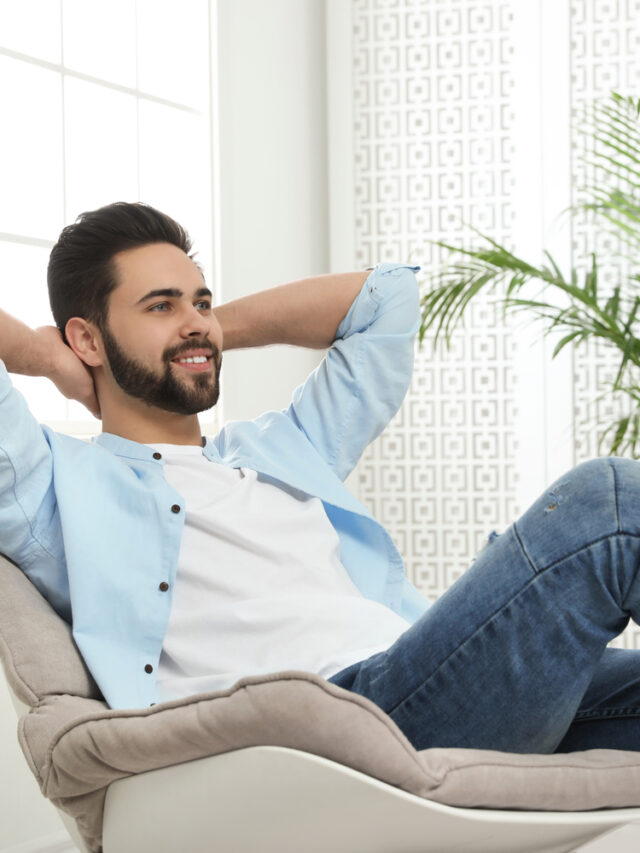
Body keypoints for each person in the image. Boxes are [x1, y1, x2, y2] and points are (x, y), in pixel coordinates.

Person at [1, 202, 639, 757]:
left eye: (202, 301)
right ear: (88, 339)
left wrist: (200, 336)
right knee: (604, 506)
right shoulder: (56, 487)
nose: (195, 319)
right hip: (348, 721)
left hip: (424, 676)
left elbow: (387, 297)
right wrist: (47, 357)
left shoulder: (281, 447)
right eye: (160, 305)